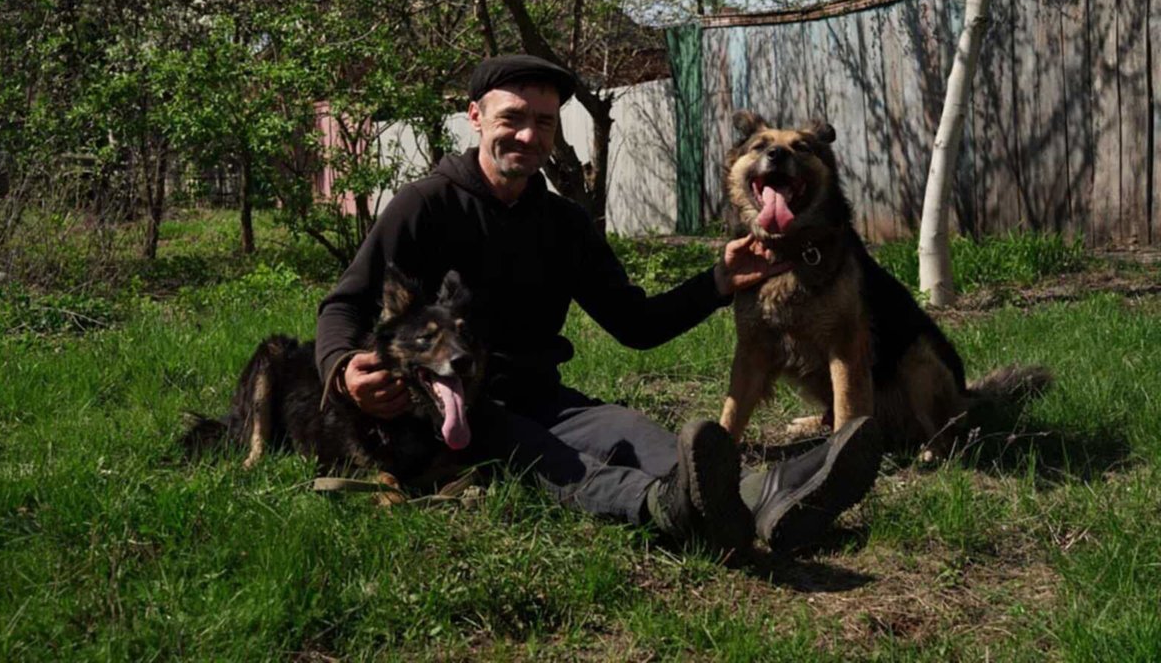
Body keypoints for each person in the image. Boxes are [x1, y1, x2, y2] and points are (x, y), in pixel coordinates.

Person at [316, 54, 881, 555]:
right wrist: (344, 371)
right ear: (476, 117)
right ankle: (668, 509)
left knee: (636, 433)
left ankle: (769, 495)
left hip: (546, 395)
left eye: (543, 122)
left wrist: (718, 281)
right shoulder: (425, 204)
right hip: (458, 406)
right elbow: (343, 305)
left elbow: (635, 324)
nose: (528, 136)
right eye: (512, 118)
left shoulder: (565, 222)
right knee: (547, 458)